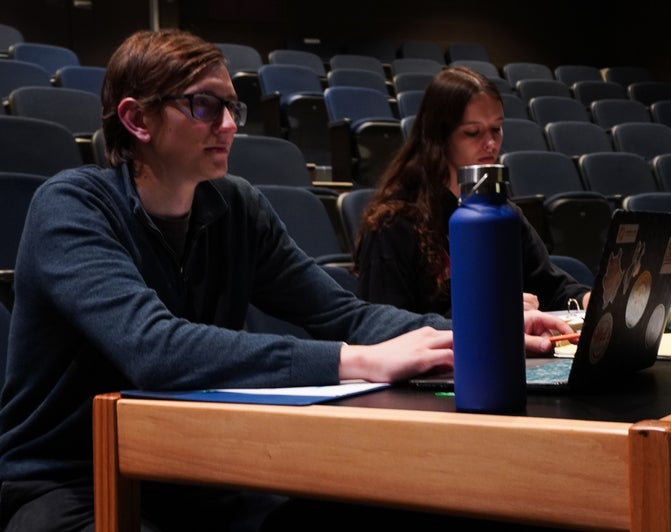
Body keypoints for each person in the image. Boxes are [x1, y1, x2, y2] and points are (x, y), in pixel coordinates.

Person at [0, 30, 574, 532]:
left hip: (192, 469)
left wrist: (479, 333)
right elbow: (155, 349)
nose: (229, 125)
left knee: (380, 509)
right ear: (136, 119)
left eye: (232, 107)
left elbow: (344, 313)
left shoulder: (236, 206)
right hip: (66, 481)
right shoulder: (70, 207)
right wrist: (357, 360)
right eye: (204, 106)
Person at [355, 66, 592, 317]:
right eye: (472, 132)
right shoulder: (393, 224)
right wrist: (489, 311)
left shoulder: (503, 213)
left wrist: (595, 301)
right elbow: (386, 325)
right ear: (439, 136)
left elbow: (552, 288)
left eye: (496, 129)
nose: (491, 144)